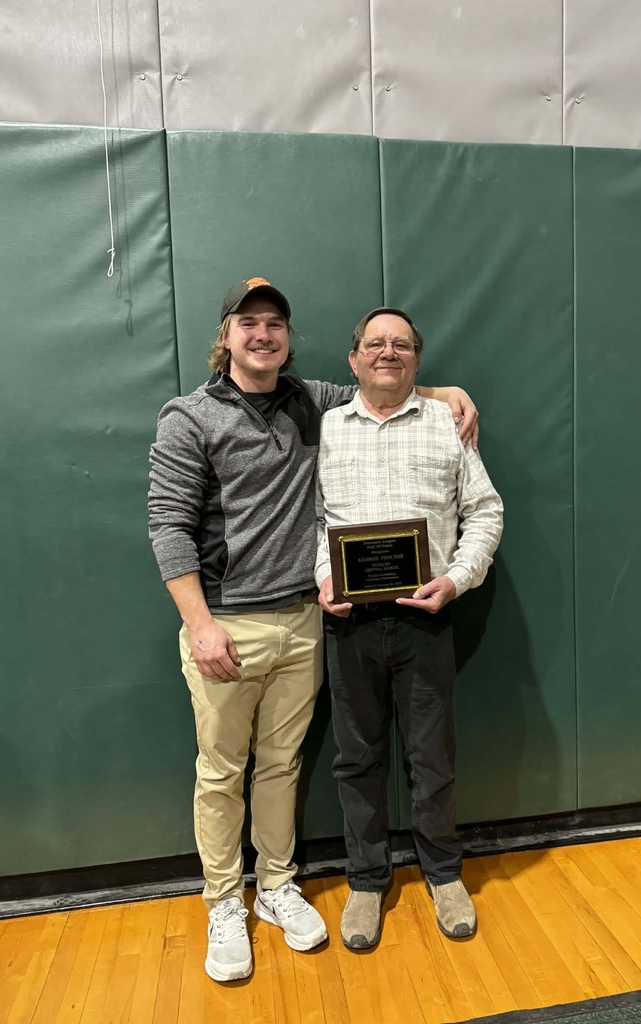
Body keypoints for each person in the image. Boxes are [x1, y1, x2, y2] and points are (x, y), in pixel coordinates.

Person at [148, 277, 478, 982]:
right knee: (221, 772)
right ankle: (221, 903)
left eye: (275, 324)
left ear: (290, 340)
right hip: (228, 625)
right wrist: (199, 625)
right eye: (249, 323)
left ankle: (274, 886)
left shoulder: (312, 402)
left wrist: (450, 394)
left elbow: (387, 386)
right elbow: (168, 527)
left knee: (281, 767)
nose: (262, 335)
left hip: (305, 619)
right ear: (226, 335)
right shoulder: (189, 416)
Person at [315, 306, 503, 950]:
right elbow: (314, 521)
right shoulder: (327, 429)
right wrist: (323, 577)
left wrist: (456, 578)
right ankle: (367, 882)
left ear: (417, 362)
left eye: (400, 345)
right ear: (354, 359)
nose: (386, 352)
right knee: (356, 759)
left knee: (432, 757)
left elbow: (485, 511)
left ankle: (443, 873)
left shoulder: (450, 428)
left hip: (427, 619)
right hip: (350, 624)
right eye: (374, 343)